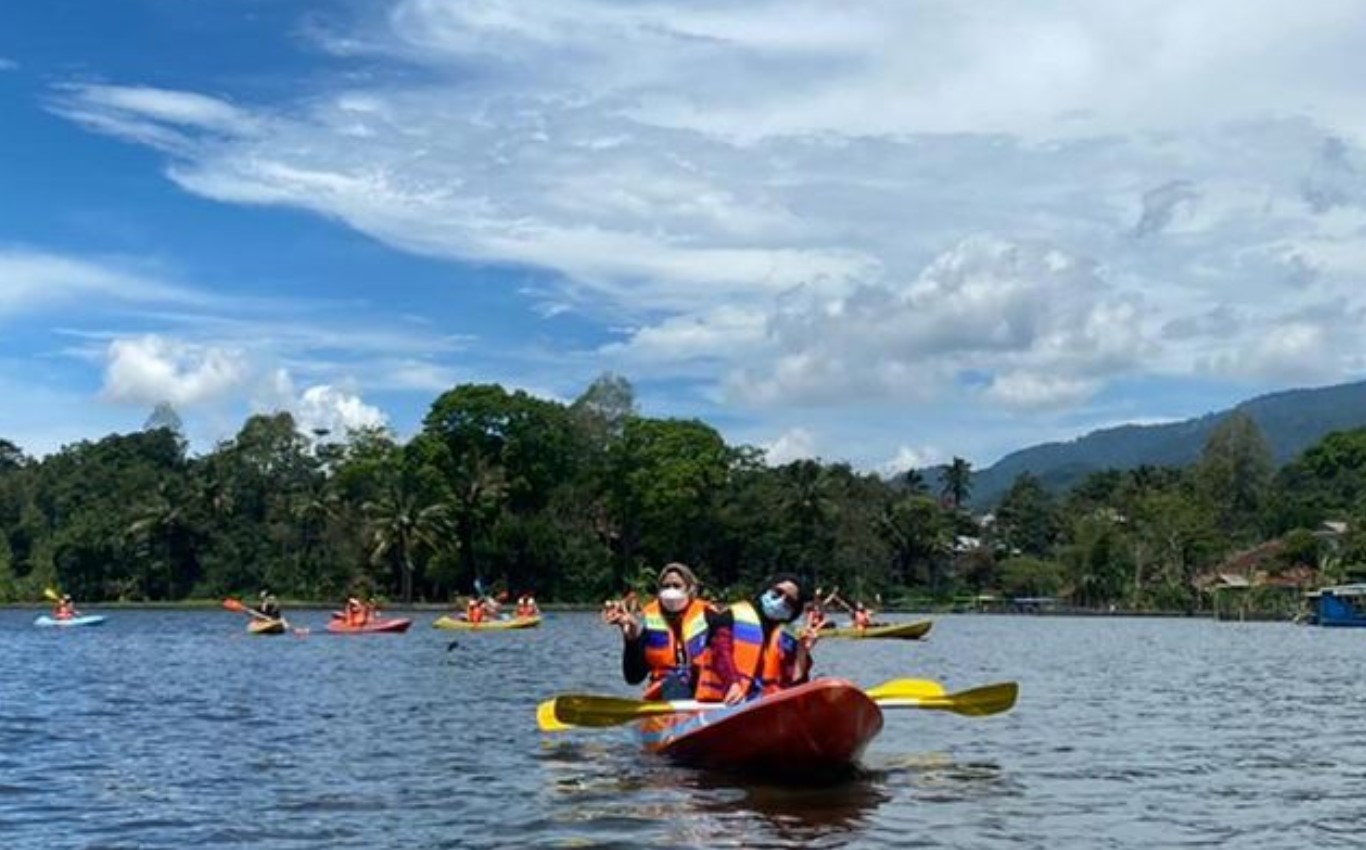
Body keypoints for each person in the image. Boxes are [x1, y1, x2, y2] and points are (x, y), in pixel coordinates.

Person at [603, 562, 731, 701]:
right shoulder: (650, 620)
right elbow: (633, 677)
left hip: (704, 693)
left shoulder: (711, 616)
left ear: (690, 589)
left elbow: (725, 655)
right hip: (665, 696)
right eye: (666, 586)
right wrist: (631, 638)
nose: (671, 591)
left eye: (676, 586)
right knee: (675, 683)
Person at [708, 573, 821, 705]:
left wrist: (802, 652)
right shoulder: (729, 617)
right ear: (767, 589)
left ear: (793, 611)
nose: (781, 601)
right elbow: (721, 651)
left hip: (766, 704)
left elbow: (794, 687)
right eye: (778, 592)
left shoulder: (788, 639)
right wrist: (732, 683)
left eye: (789, 601)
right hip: (727, 699)